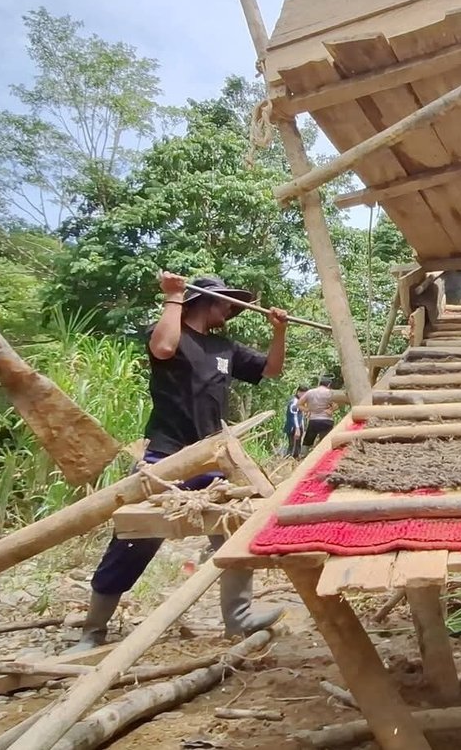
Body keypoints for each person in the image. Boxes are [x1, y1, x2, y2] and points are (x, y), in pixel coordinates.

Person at [74, 273, 288, 649]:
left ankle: (237, 618)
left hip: (212, 458)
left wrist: (279, 331)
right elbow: (162, 348)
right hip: (166, 456)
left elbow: (270, 370)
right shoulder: (172, 334)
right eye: (224, 303)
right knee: (135, 537)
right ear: (205, 302)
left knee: (235, 528)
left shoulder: (225, 348)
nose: (230, 310)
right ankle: (93, 630)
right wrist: (174, 296)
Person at [298, 376, 338, 451]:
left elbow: (299, 404)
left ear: (320, 384)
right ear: (329, 385)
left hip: (314, 420)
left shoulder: (310, 392)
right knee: (325, 442)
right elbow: (336, 406)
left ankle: (303, 456)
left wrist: (308, 410)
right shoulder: (330, 393)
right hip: (327, 420)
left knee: (307, 442)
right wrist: (331, 410)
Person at [283, 385, 307, 458]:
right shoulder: (294, 402)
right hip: (293, 427)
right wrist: (297, 428)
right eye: (303, 394)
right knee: (293, 445)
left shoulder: (299, 401)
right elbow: (294, 415)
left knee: (297, 444)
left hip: (297, 426)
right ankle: (288, 460)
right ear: (298, 392)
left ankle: (294, 460)